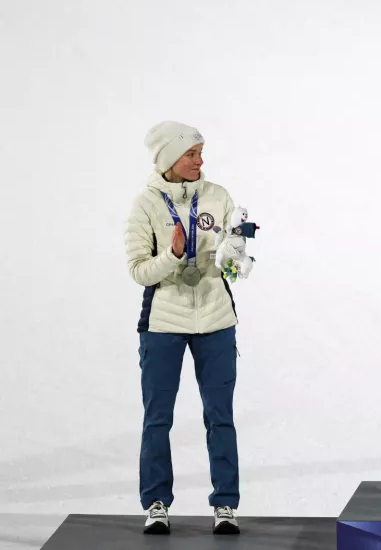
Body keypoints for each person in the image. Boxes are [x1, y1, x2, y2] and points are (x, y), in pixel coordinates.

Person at [124, 121, 242, 535]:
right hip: (162, 325)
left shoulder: (219, 197)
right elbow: (139, 271)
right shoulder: (146, 205)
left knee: (220, 417)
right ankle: (156, 503)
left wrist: (236, 254)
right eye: (192, 154)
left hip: (216, 321)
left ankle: (225, 505)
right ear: (169, 158)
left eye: (201, 152)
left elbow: (234, 264)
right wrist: (174, 255)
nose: (200, 160)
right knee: (157, 418)